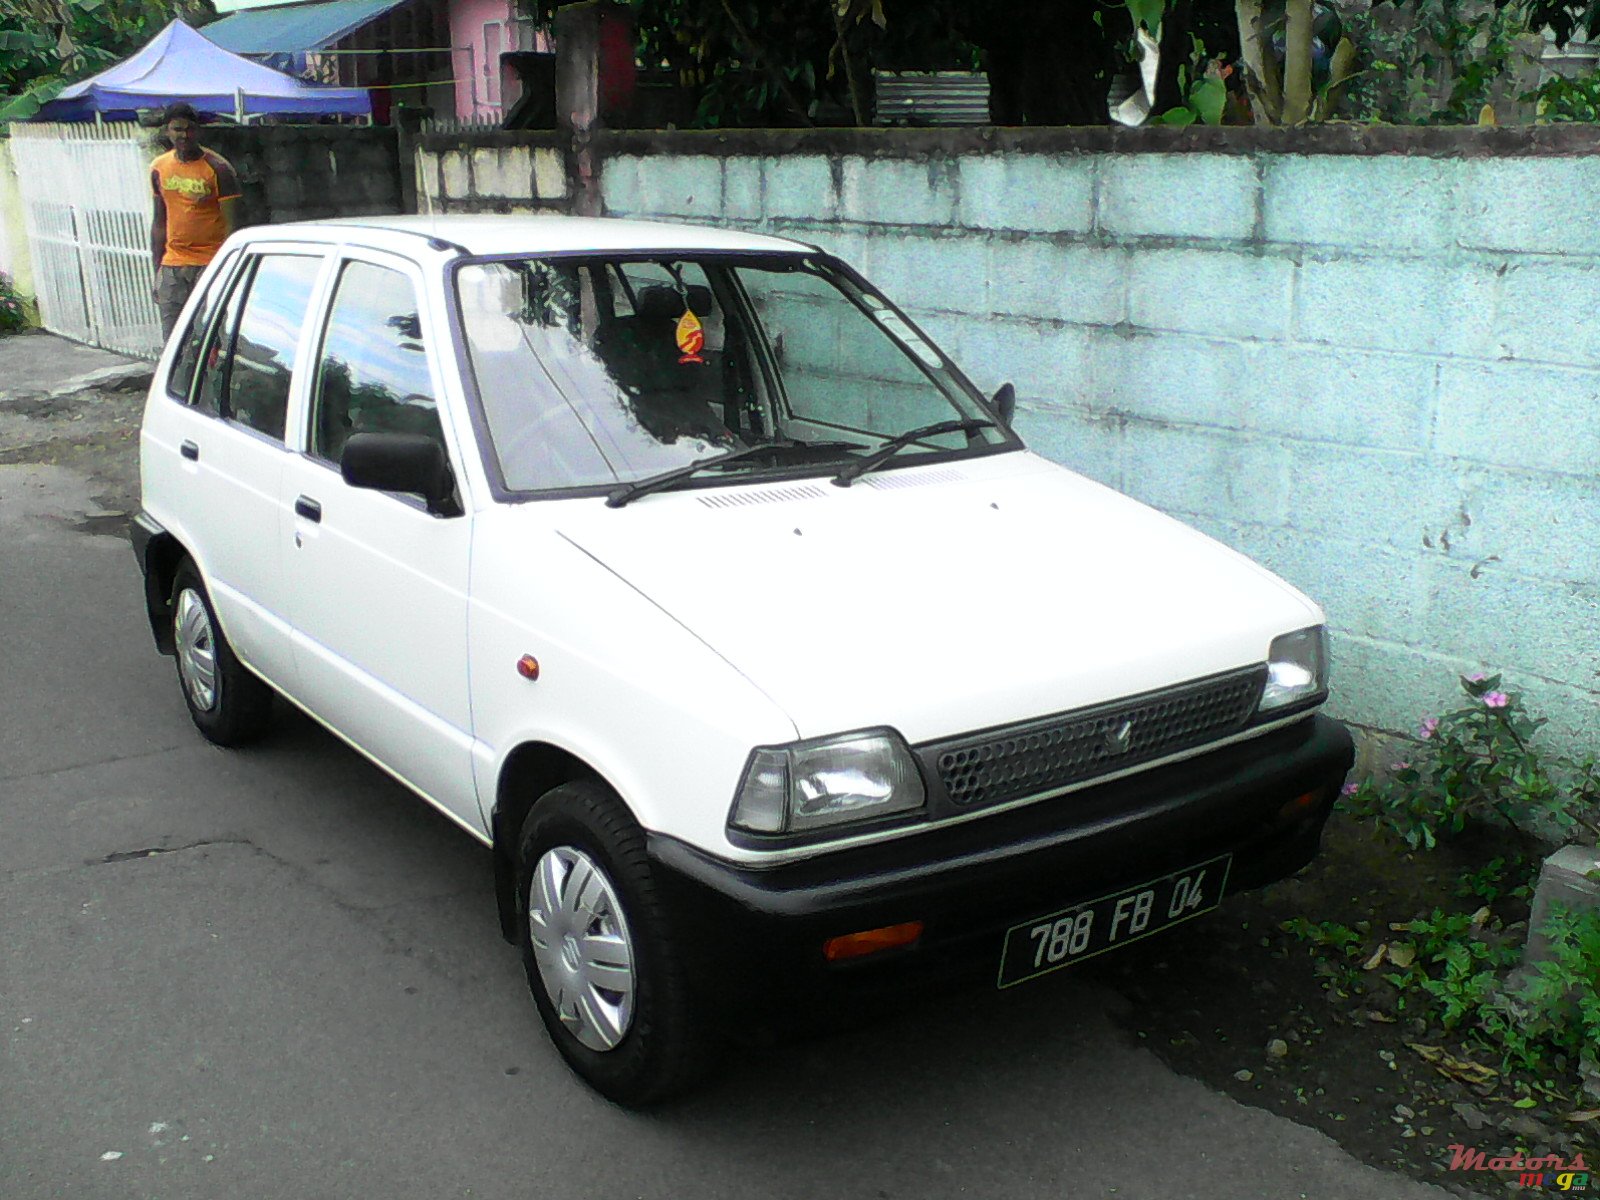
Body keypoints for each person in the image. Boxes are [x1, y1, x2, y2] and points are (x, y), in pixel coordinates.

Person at [149, 103, 241, 340]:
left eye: (189, 129)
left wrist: (227, 268)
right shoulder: (159, 168)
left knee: (211, 338)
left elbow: (233, 227)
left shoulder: (219, 169)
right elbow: (159, 221)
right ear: (167, 132)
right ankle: (176, 379)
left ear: (198, 131)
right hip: (173, 265)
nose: (183, 135)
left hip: (210, 264)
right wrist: (157, 269)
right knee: (174, 341)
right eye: (177, 129)